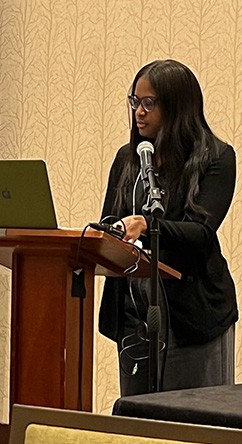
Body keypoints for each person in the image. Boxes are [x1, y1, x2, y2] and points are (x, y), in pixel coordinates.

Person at [99, 59, 238, 396]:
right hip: (135, 316)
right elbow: (108, 225)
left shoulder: (216, 158)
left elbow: (201, 232)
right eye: (135, 102)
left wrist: (148, 225)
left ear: (177, 106)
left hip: (192, 317)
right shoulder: (127, 158)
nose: (139, 112)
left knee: (194, 422)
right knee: (139, 421)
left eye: (150, 103)